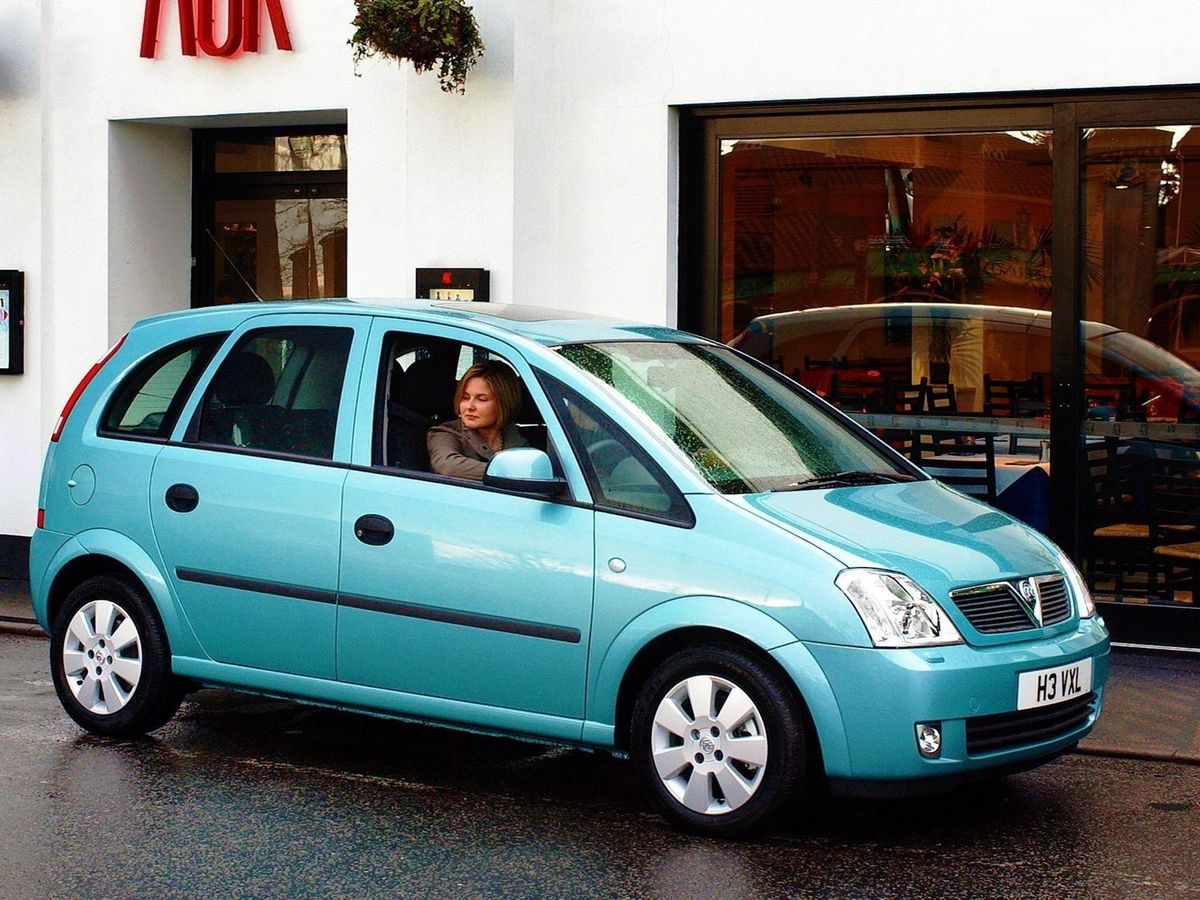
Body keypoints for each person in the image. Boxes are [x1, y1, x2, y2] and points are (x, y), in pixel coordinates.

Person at [427, 359, 527, 480]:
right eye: (465, 398)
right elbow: (448, 466)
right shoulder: (445, 432)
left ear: (504, 402)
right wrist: (512, 473)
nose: (469, 406)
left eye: (482, 399)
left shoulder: (519, 439)